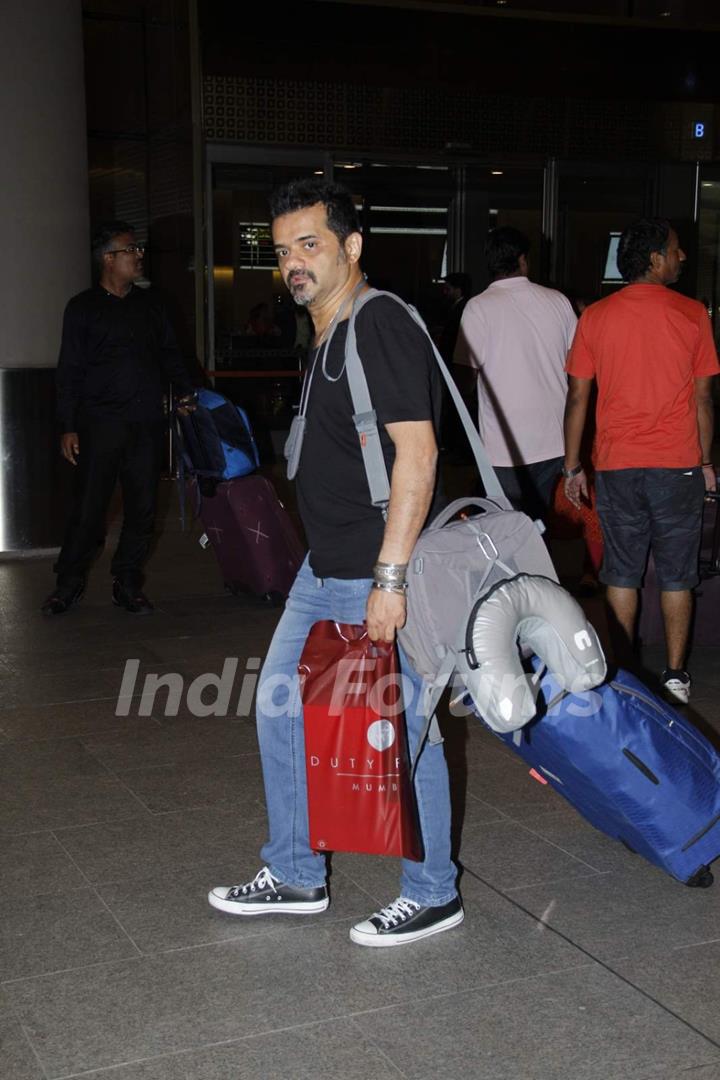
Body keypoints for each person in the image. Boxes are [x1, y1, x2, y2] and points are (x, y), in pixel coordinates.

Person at [208, 178, 462, 947]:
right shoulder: (329, 329)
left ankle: (433, 890)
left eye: (310, 245)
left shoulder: (378, 321)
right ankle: (294, 872)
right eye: (283, 251)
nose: (293, 263)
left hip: (373, 571)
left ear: (352, 247)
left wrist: (389, 581)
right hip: (326, 570)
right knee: (281, 707)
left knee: (400, 731)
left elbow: (417, 456)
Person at [563, 217, 719, 704]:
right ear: (654, 259)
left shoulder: (597, 317)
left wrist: (572, 466)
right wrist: (706, 460)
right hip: (677, 464)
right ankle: (675, 674)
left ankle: (624, 672)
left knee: (621, 571)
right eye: (675, 250)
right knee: (678, 572)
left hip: (616, 465)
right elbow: (703, 400)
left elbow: (577, 398)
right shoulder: (694, 314)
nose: (682, 257)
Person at [41, 221, 196, 616]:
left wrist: (185, 391)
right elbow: (69, 370)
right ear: (109, 258)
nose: (139, 255)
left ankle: (127, 583)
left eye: (138, 249)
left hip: (146, 425)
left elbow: (170, 354)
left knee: (143, 509)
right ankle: (68, 583)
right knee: (89, 510)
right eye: (131, 249)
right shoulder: (82, 308)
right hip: (99, 426)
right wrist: (68, 425)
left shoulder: (152, 306)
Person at [454, 227, 577, 520]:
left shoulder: (478, 307)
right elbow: (578, 369)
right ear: (523, 260)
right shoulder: (558, 301)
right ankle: (539, 566)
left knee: (508, 526)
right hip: (554, 438)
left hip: (503, 445)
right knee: (542, 523)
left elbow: (465, 377)